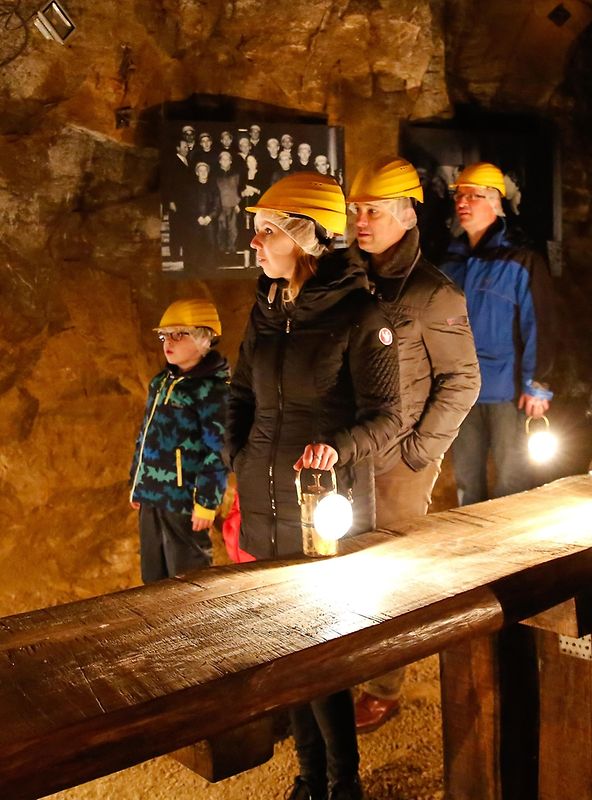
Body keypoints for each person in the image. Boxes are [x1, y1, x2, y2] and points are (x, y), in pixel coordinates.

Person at [226, 172, 402, 800]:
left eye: (267, 231)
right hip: (264, 499)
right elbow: (242, 391)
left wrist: (338, 447)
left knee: (321, 656)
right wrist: (236, 455)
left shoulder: (362, 314)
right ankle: (309, 776)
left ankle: (343, 782)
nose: (255, 242)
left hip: (322, 510)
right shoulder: (266, 306)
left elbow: (388, 415)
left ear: (305, 238)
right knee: (285, 651)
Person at [336, 156, 480, 732]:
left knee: (389, 572)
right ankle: (343, 670)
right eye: (354, 210)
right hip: (349, 450)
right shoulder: (348, 280)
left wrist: (420, 452)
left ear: (406, 212)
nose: (360, 220)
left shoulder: (432, 294)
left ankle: (384, 684)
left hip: (397, 460)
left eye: (372, 210)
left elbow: (463, 379)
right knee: (341, 564)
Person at [438, 161, 555, 505]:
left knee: (512, 484)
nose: (463, 202)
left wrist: (539, 385)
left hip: (508, 391)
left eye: (474, 195)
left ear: (495, 202)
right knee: (465, 485)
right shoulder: (450, 261)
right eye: (459, 195)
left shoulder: (521, 259)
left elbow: (541, 323)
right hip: (461, 392)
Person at [129, 298, 229, 584]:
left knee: (188, 577)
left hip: (185, 500)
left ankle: (194, 629)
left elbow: (218, 450)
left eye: (177, 334)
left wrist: (207, 502)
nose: (167, 343)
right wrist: (137, 482)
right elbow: (145, 436)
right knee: (152, 576)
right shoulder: (160, 383)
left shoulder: (212, 390)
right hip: (152, 496)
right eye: (164, 335)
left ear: (203, 337)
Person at [213, 150, 241, 255]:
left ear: (230, 161)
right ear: (220, 161)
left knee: (233, 229)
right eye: (223, 159)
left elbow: (238, 189)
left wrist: (238, 203)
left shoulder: (235, 174)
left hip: (233, 204)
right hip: (220, 205)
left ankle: (232, 249)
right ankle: (221, 250)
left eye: (227, 159)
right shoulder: (215, 175)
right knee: (221, 229)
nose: (225, 161)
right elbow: (214, 191)